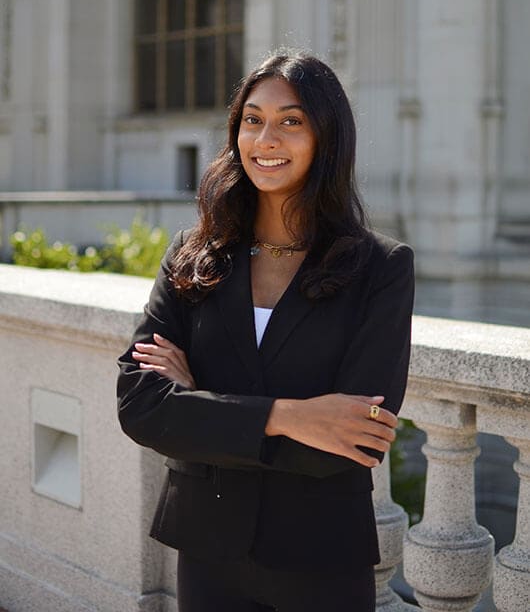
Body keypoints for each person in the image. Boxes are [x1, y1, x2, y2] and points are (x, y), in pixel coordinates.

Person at [116, 51, 415, 612]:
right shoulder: (194, 256)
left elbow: (349, 444)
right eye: (252, 120)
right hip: (207, 553)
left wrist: (201, 401)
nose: (266, 138)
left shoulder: (381, 268)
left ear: (326, 136)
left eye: (291, 121)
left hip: (321, 558)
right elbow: (141, 407)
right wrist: (292, 415)